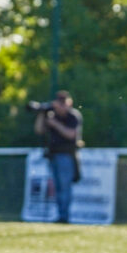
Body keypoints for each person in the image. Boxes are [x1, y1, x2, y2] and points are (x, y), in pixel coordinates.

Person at [33, 90, 83, 223]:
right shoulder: (51, 115)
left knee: (65, 187)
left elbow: (71, 134)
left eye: (63, 103)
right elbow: (39, 130)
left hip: (67, 155)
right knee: (58, 187)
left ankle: (64, 217)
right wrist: (42, 114)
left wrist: (55, 124)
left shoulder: (73, 116)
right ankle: (60, 215)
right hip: (53, 155)